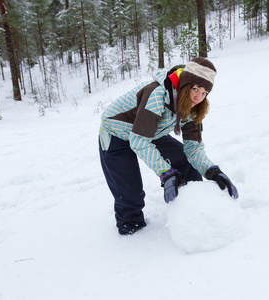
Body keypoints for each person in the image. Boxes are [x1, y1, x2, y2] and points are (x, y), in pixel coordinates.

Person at [99, 57, 239, 235]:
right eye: (195, 89)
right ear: (185, 85)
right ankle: (131, 232)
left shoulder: (194, 106)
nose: (198, 97)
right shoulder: (156, 95)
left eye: (204, 92)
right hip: (115, 133)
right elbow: (139, 142)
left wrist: (212, 171)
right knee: (130, 195)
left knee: (186, 162)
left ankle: (194, 206)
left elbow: (193, 148)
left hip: (149, 131)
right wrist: (166, 173)